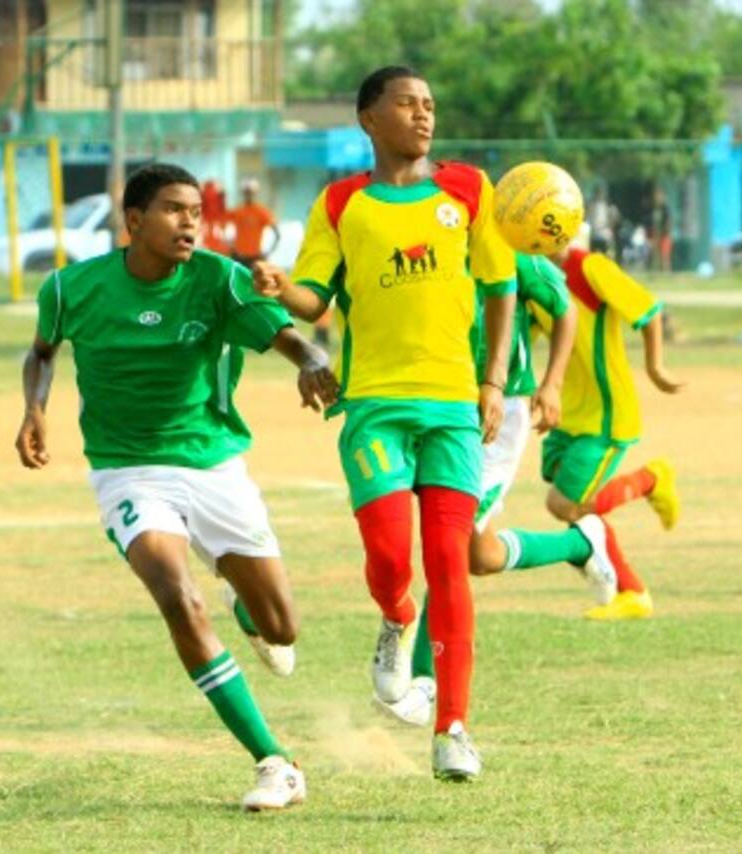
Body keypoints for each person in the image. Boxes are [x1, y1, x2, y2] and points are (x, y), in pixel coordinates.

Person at [13, 163, 338, 811]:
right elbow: (44, 352)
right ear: (133, 221)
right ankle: (276, 762)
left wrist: (316, 361)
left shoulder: (218, 278)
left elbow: (282, 335)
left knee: (283, 628)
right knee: (175, 595)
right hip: (126, 468)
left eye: (194, 210)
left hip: (213, 464)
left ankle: (246, 608)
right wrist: (34, 409)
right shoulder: (71, 288)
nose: (190, 221)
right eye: (172, 209)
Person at [252, 66, 516, 782]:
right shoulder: (342, 203)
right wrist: (282, 284)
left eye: (430, 104)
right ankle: (396, 617)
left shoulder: (467, 190)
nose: (423, 115)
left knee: (450, 565)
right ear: (369, 118)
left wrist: (492, 382)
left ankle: (453, 728)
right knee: (393, 558)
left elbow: (501, 286)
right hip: (371, 405)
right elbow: (312, 299)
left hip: (453, 409)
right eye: (407, 104)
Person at [380, 251, 629, 727]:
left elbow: (566, 309)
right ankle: (580, 542)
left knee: (448, 539)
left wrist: (551, 384)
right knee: (480, 555)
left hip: (500, 410)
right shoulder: (426, 246)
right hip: (438, 405)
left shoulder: (509, 252)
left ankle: (425, 682)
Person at [536, 241, 684, 620]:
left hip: (606, 415)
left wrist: (654, 367)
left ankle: (632, 592)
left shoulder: (590, 268)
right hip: (566, 413)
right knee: (572, 499)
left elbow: (648, 311)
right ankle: (650, 480)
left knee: (565, 504)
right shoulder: (531, 274)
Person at [228, 178, 280, 268]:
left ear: (255, 193)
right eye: (246, 192)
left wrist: (268, 252)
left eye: (251, 192)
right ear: (243, 193)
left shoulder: (262, 212)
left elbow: (277, 234)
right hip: (239, 257)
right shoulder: (237, 211)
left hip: (255, 258)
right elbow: (225, 230)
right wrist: (231, 248)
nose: (249, 195)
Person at [647, 187, 672, 273]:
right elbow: (650, 223)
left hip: (664, 235)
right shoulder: (652, 209)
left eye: (660, 196)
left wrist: (665, 232)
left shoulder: (665, 209)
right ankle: (655, 271)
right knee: (655, 254)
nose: (658, 198)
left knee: (665, 255)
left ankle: (666, 272)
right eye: (656, 196)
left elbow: (668, 222)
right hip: (655, 234)